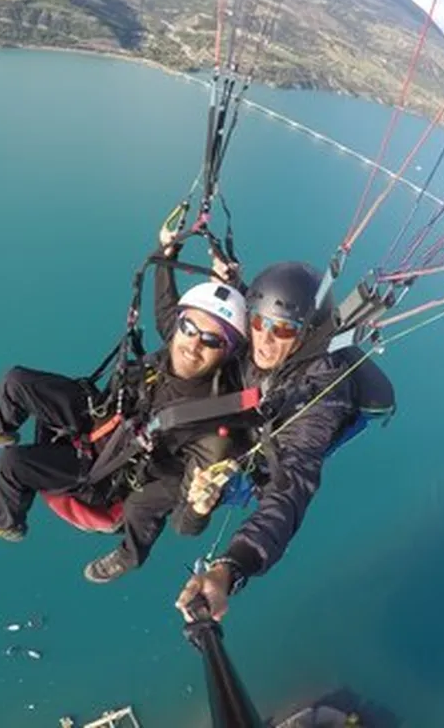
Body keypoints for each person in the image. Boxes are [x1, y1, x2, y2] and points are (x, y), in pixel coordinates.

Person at [0, 279, 249, 584]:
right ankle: (0, 427)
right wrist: (167, 253)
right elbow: (167, 310)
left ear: (227, 351)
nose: (194, 344)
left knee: (10, 464)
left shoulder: (211, 428)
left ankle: (7, 523)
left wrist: (200, 506)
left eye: (212, 340)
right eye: (188, 327)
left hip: (105, 473)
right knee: (15, 381)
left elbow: (185, 524)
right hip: (102, 418)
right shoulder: (171, 354)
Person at [153, 241, 363, 622]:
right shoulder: (264, 336)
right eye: (258, 322)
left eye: (281, 330)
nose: (264, 339)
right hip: (241, 415)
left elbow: (290, 490)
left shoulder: (320, 398)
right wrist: (228, 286)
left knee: (180, 507)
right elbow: (262, 314)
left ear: (309, 334)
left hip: (261, 455)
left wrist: (231, 569)